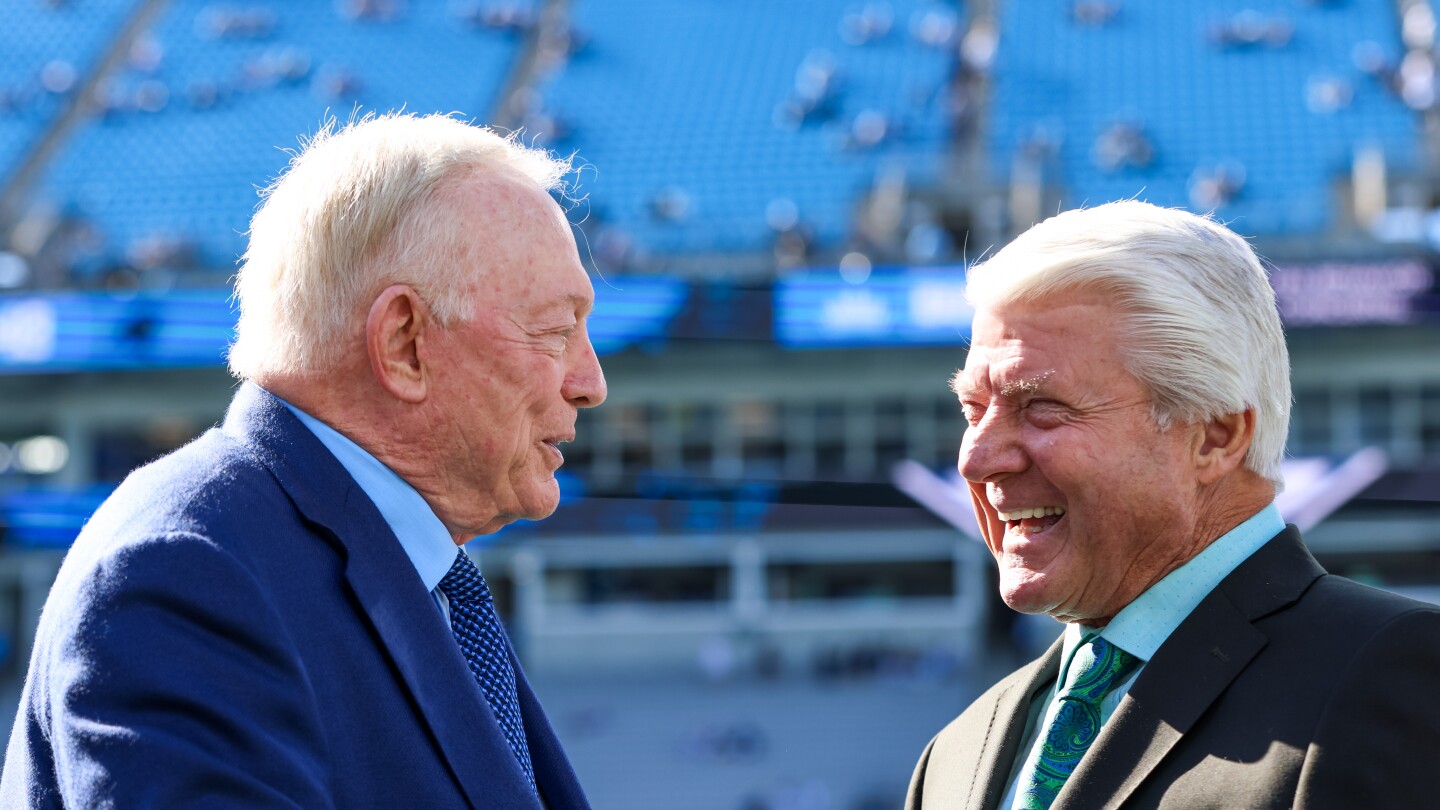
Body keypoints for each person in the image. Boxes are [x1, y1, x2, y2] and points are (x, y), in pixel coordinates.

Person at [2, 112, 605, 808]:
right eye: (555, 331)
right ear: (404, 344)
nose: (591, 383)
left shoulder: (384, 570)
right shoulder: (187, 575)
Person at [906, 201, 1440, 809]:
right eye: (973, 411)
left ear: (1215, 436)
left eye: (1042, 408)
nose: (977, 459)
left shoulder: (1389, 675)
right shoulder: (953, 756)